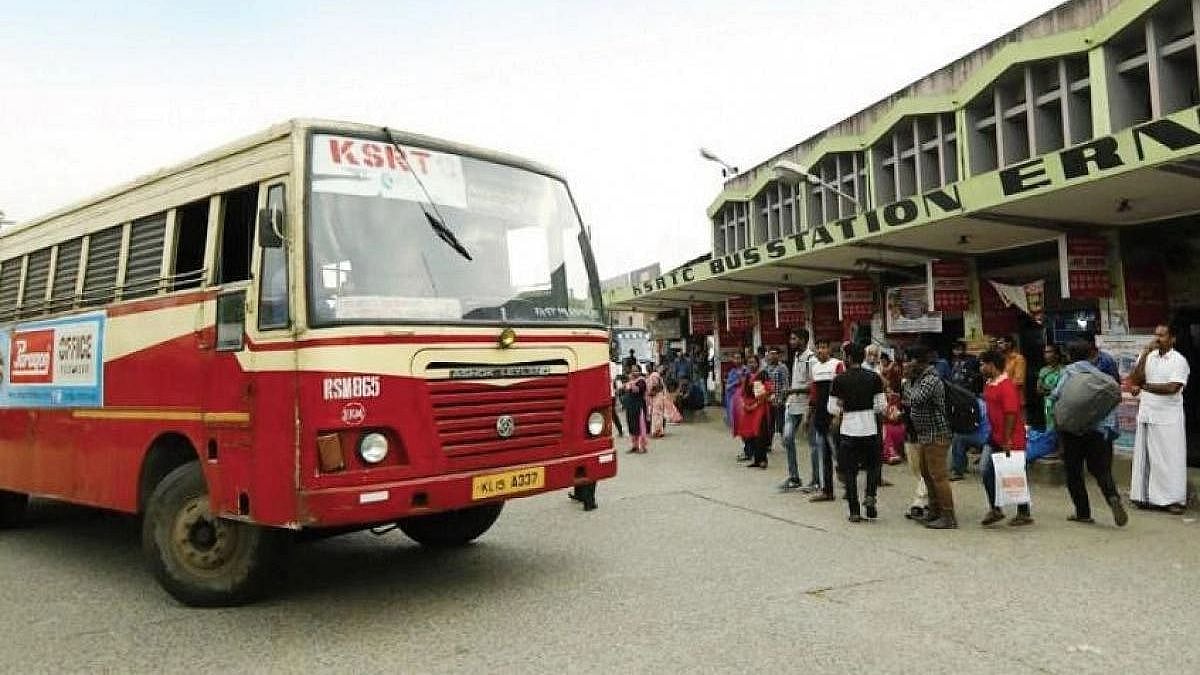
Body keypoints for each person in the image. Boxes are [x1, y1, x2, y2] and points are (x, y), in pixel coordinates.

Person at [1049, 339, 1127, 526]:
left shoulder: (1068, 372)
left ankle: (1083, 512)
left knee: (1074, 472)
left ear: (1069, 356)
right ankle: (1112, 497)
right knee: (1101, 470)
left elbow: (1056, 396)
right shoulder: (1098, 373)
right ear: (1090, 355)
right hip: (1097, 430)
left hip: (1072, 431)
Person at [1129, 324, 1191, 514]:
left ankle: (1173, 500)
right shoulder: (1147, 356)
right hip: (1148, 414)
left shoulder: (1178, 360)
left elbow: (1173, 388)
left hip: (1169, 417)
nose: (1157, 339)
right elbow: (1135, 379)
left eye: (1162, 336)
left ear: (1172, 339)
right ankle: (1144, 497)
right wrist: (1145, 353)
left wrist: (1145, 387)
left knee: (1170, 459)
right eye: (1155, 335)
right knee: (1147, 458)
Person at [827, 343, 887, 522]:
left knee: (850, 471)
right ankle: (870, 495)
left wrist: (844, 409)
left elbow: (832, 408)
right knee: (873, 466)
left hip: (849, 429)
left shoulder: (839, 380)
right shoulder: (874, 377)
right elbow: (881, 406)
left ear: (848, 358)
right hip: (869, 427)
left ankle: (854, 510)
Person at [902, 344, 957, 529]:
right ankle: (935, 510)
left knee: (938, 476)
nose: (906, 364)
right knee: (926, 474)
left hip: (937, 433)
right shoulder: (919, 378)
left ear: (918, 361)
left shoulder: (930, 379)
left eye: (909, 360)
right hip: (925, 434)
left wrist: (905, 382)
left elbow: (915, 399)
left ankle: (948, 515)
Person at [979, 349, 1033, 527]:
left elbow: (1011, 413)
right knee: (986, 470)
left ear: (991, 365)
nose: (981, 367)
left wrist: (1008, 438)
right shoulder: (990, 383)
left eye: (983, 364)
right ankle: (996, 508)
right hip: (994, 435)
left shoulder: (1006, 385)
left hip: (1010, 436)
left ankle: (1023, 512)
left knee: (1015, 473)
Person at [804, 338, 845, 502]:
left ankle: (849, 486)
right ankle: (827, 490)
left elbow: (843, 390)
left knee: (838, 454)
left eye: (823, 347)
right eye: (818, 348)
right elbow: (814, 393)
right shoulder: (814, 367)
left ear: (829, 349)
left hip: (834, 415)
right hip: (820, 416)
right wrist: (809, 415)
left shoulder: (837, 365)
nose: (820, 351)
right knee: (824, 454)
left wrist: (839, 414)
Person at [780, 328, 814, 491]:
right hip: (792, 404)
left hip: (807, 405)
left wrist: (793, 391)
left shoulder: (811, 359)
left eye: (794, 339)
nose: (791, 342)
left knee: (815, 444)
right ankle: (794, 477)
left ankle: (816, 480)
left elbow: (814, 386)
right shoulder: (795, 356)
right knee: (787, 438)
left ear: (803, 340)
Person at [736, 356, 773, 469]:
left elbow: (767, 390)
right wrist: (744, 404)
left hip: (759, 408)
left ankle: (763, 460)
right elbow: (743, 392)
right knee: (750, 434)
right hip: (749, 409)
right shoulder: (747, 376)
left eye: (753, 362)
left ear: (758, 363)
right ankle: (756, 459)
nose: (751, 365)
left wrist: (756, 404)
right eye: (749, 362)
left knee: (760, 434)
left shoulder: (762, 375)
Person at [763, 347, 790, 452]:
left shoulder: (783, 367)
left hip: (779, 401)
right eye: (771, 354)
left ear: (779, 355)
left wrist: (782, 399)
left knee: (781, 423)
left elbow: (785, 384)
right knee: (769, 424)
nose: (773, 356)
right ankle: (768, 444)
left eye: (775, 354)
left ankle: (784, 442)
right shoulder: (766, 368)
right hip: (768, 401)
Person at [622, 363, 649, 454]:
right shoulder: (630, 382)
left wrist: (631, 382)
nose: (634, 372)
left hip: (639, 407)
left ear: (639, 371)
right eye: (632, 370)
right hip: (630, 408)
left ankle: (642, 447)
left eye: (636, 370)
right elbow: (623, 390)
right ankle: (634, 446)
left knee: (640, 426)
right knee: (632, 426)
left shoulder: (641, 381)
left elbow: (636, 390)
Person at [1037, 343, 1064, 432]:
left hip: (1061, 405)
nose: (1046, 355)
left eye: (1049, 352)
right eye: (1045, 352)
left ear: (1056, 355)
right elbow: (1039, 390)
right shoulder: (1043, 371)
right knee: (1050, 430)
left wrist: (1049, 389)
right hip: (1048, 405)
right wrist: (1051, 390)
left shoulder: (1064, 370)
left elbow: (1063, 390)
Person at [724, 352, 749, 429]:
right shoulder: (732, 371)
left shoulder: (746, 370)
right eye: (735, 358)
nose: (737, 360)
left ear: (742, 359)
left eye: (738, 358)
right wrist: (735, 383)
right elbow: (728, 385)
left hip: (742, 396)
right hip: (731, 396)